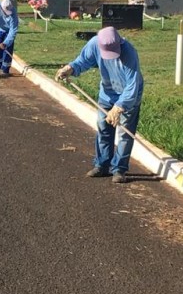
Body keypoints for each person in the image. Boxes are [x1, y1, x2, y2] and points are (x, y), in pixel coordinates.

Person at [55, 26, 144, 184]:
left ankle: (119, 170)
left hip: (128, 98)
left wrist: (119, 107)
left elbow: (132, 86)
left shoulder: (129, 53)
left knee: (124, 134)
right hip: (107, 94)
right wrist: (70, 68)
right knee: (104, 129)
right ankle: (102, 165)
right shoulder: (94, 43)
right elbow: (83, 61)